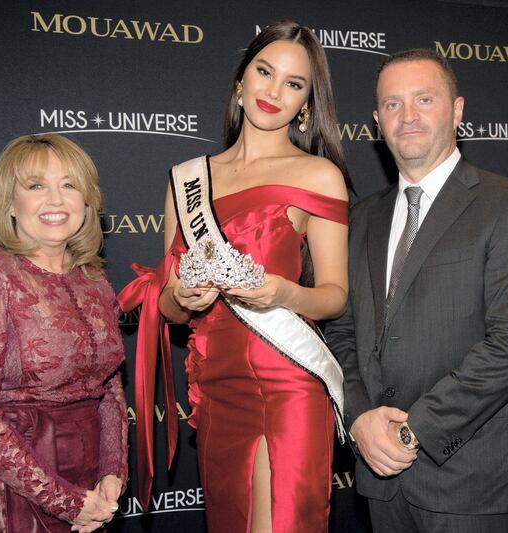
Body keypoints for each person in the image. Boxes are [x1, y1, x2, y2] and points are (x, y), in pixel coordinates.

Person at [119, 20, 350, 533]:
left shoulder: (318, 175)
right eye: (264, 72)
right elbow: (173, 310)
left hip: (288, 378)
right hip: (217, 385)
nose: (274, 91)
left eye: (294, 84)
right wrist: (180, 294)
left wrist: (283, 292)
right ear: (241, 82)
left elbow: (334, 296)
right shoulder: (186, 179)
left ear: (307, 103)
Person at [325, 49, 508, 532]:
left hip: (475, 479)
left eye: (424, 99)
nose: (407, 116)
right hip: (380, 477)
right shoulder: (361, 218)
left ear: (457, 110)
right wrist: (360, 418)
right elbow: (341, 333)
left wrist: (413, 432)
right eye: (391, 104)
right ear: (376, 121)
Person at [0, 134, 128, 533]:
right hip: (6, 494)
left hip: (88, 485)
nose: (56, 200)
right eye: (36, 185)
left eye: (69, 185)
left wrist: (114, 470)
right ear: (9, 201)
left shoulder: (93, 278)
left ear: (88, 201)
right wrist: (62, 499)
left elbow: (109, 386)